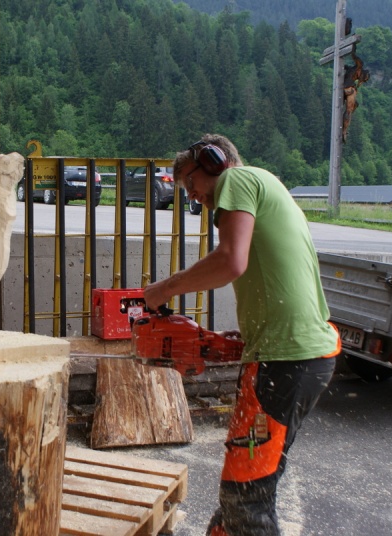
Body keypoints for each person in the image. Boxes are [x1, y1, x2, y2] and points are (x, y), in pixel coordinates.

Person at [143, 134, 341, 536]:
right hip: (294, 354)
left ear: (214, 161)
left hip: (288, 359)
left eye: (191, 182)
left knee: (245, 499)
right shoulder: (265, 184)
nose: (192, 195)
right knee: (243, 491)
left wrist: (164, 290)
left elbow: (231, 260)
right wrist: (249, 337)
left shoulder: (238, 179)